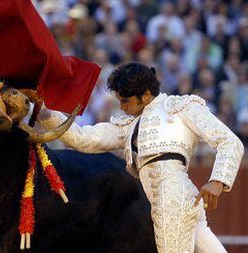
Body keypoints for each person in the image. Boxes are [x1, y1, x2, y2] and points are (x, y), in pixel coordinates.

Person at [37, 62, 244, 253]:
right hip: (180, 200)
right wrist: (39, 110)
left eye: (125, 101)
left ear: (145, 95)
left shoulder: (179, 107)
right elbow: (82, 139)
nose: (122, 107)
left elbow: (230, 141)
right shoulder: (130, 125)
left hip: (171, 200)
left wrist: (217, 181)